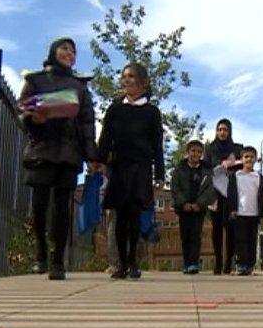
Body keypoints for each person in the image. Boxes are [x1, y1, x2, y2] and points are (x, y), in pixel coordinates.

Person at [19, 37, 97, 280]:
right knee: (40, 206)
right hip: (41, 148)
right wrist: (33, 118)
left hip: (68, 151)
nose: (69, 53)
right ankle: (41, 254)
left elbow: (87, 122)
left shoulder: (80, 86)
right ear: (53, 51)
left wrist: (91, 156)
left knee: (62, 207)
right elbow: (23, 108)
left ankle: (57, 261)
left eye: (73, 51)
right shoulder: (35, 80)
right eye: (64, 48)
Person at [97, 62, 165, 280]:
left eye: (132, 76)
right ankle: (121, 265)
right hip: (118, 166)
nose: (126, 80)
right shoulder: (115, 108)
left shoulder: (152, 112)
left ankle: (133, 261)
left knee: (134, 215)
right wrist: (97, 162)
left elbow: (157, 145)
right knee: (119, 213)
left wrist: (160, 174)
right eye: (124, 76)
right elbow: (105, 138)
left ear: (143, 83)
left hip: (141, 168)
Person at [204, 119, 243, 274]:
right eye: (219, 129)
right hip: (216, 193)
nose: (222, 132)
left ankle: (228, 263)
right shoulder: (210, 148)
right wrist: (219, 166)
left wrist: (231, 165)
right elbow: (205, 169)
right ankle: (218, 262)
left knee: (231, 228)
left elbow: (244, 164)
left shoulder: (237, 148)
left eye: (225, 129)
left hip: (232, 192)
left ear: (230, 131)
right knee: (217, 228)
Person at [171, 140, 216, 274]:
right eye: (193, 151)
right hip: (184, 209)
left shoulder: (207, 170)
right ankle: (187, 263)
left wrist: (199, 204)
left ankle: (194, 264)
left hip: (198, 209)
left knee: (196, 236)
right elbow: (175, 188)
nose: (195, 154)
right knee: (185, 236)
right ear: (188, 152)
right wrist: (183, 203)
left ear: (201, 154)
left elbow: (210, 190)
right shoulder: (179, 169)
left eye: (199, 152)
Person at [226, 146, 263, 276]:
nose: (249, 159)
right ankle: (242, 265)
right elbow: (231, 194)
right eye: (246, 157)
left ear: (255, 159)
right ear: (241, 160)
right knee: (240, 240)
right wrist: (232, 209)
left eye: (251, 157)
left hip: (254, 214)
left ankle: (250, 265)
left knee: (252, 240)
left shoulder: (259, 178)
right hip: (239, 213)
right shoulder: (235, 176)